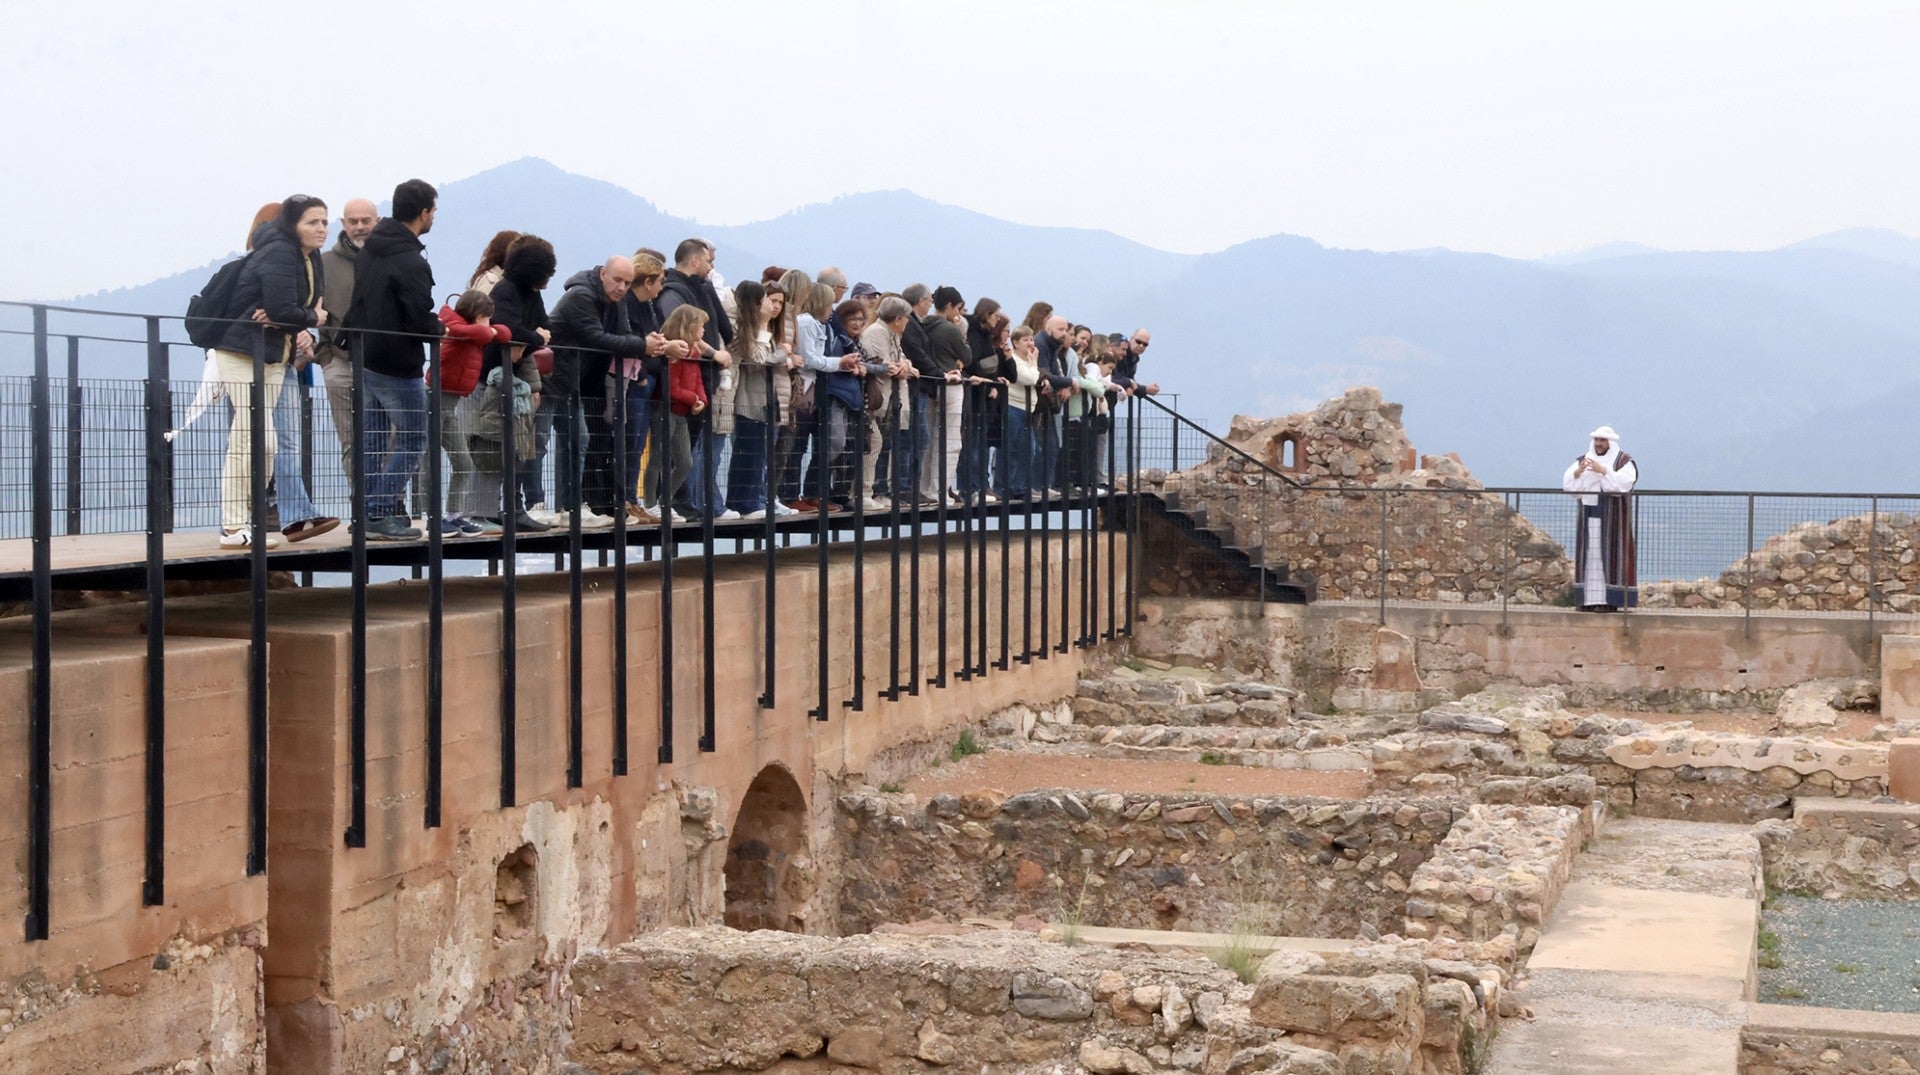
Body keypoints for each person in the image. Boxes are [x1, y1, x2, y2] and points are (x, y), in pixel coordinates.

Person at [211, 195, 333, 548]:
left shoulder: (310, 258)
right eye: (312, 222)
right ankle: (233, 528)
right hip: (241, 350)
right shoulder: (281, 252)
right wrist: (310, 318)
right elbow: (292, 309)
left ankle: (245, 524)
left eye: (324, 221)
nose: (321, 228)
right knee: (248, 438)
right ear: (293, 225)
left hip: (274, 355)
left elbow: (300, 307)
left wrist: (298, 316)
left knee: (266, 444)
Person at [344, 178, 440, 541]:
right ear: (423, 213)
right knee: (415, 438)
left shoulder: (370, 250)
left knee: (372, 440)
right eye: (433, 211)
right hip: (398, 363)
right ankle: (379, 509)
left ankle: (365, 512)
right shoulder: (410, 260)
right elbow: (418, 318)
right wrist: (439, 329)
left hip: (364, 354)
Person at [470, 235, 554, 532]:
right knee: (489, 447)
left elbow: (541, 326)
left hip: (515, 379)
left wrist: (533, 338)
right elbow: (509, 330)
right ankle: (482, 512)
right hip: (490, 380)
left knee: (517, 449)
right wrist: (536, 337)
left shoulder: (529, 293)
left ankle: (511, 508)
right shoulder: (506, 291)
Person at [658, 239, 736, 519]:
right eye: (709, 261)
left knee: (690, 449)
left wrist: (710, 292)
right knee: (676, 453)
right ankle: (671, 502)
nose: (712, 267)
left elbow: (726, 330)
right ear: (695, 260)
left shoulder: (701, 289)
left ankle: (684, 500)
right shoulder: (673, 290)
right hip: (686, 380)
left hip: (701, 381)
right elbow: (678, 330)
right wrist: (713, 353)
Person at [433, 289, 509, 535]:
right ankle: (431, 517)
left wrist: (492, 329)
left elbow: (505, 333)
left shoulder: (471, 332)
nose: (489, 324)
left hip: (450, 406)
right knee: (425, 460)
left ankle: (453, 515)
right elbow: (475, 332)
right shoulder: (455, 329)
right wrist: (489, 331)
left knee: (463, 462)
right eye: (486, 317)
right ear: (475, 315)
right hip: (434, 400)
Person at [314, 197, 377, 472]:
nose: (360, 227)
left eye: (366, 220)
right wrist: (325, 358)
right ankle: (359, 504)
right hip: (339, 361)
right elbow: (312, 310)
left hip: (383, 362)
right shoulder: (323, 263)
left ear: (378, 222)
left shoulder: (389, 260)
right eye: (353, 221)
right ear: (344, 224)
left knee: (390, 437)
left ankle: (388, 502)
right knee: (351, 438)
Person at [726, 280, 789, 519]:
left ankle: (754, 499)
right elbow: (758, 360)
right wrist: (783, 354)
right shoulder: (751, 328)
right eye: (766, 300)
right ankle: (745, 502)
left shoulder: (763, 329)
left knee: (759, 453)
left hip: (764, 398)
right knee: (749, 452)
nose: (771, 306)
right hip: (750, 398)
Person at [1561, 425, 1639, 611]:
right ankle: (1588, 600)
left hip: (1613, 519)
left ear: (1609, 443)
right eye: (1597, 440)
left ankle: (1610, 601)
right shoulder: (1583, 460)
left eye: (1602, 440)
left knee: (1610, 556)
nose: (1599, 444)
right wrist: (1579, 472)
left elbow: (1624, 483)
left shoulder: (1623, 462)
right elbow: (1569, 484)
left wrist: (1604, 471)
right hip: (1589, 517)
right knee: (1590, 556)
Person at [643, 306, 709, 520]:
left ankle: (665, 501)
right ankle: (650, 502)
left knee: (684, 462)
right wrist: (694, 398)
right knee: (658, 456)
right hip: (665, 410)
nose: (704, 331)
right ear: (690, 326)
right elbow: (671, 388)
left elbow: (697, 379)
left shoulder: (693, 352)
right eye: (701, 326)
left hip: (680, 412)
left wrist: (702, 399)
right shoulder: (674, 354)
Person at [918, 286, 969, 504]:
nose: (958, 313)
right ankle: (940, 490)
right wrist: (961, 332)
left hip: (928, 385)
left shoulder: (922, 325)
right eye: (957, 308)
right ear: (949, 306)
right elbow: (967, 354)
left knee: (929, 440)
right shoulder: (949, 328)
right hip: (950, 384)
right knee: (950, 441)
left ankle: (925, 488)